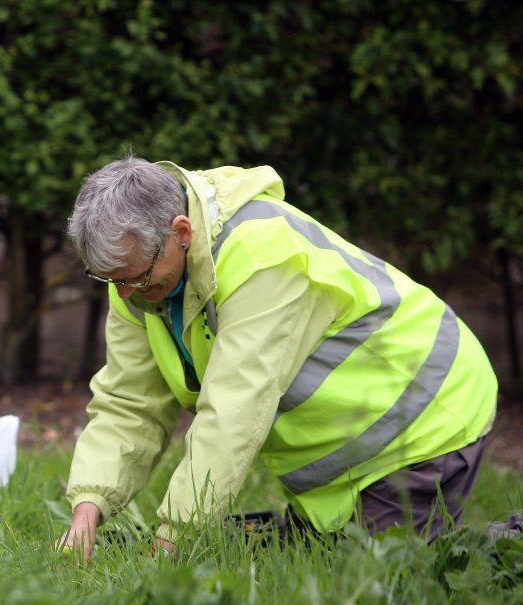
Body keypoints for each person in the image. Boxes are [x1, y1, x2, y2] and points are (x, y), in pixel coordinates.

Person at [60, 156, 498, 560]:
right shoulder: (136, 281)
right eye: (108, 279)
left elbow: (232, 413)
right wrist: (88, 509)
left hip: (424, 417)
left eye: (134, 277)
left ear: (181, 233)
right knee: (303, 563)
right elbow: (128, 402)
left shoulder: (259, 256)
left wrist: (173, 537)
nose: (123, 293)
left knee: (388, 583)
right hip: (344, 455)